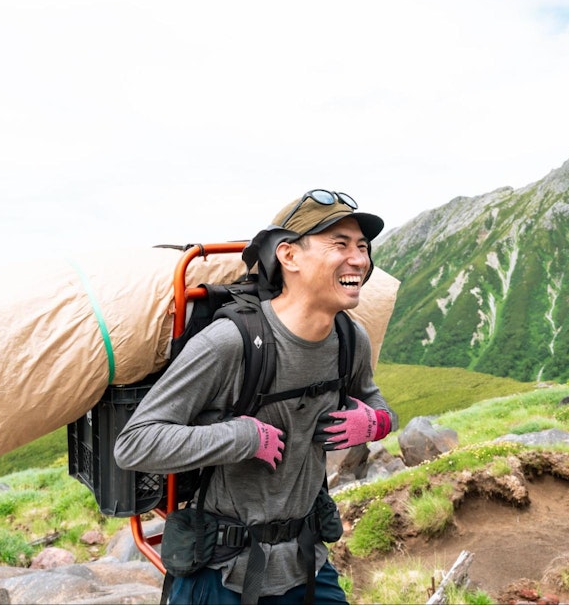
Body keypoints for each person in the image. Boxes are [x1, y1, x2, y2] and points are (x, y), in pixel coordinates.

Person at [114, 189, 398, 604]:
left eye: (362, 247)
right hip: (223, 572)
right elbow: (134, 443)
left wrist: (375, 423)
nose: (359, 259)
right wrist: (243, 438)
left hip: (306, 563)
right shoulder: (231, 342)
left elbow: (375, 402)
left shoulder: (348, 337)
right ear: (289, 256)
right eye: (340, 244)